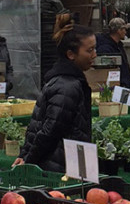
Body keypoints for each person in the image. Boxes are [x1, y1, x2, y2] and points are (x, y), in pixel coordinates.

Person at [14, 14, 95, 171]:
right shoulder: (67, 86)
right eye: (89, 50)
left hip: (68, 162)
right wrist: (28, 159)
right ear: (71, 54)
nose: (94, 55)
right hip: (61, 168)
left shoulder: (67, 81)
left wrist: (25, 154)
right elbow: (49, 131)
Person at [95, 16, 130, 88]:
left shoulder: (118, 45)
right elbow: (105, 73)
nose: (125, 32)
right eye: (124, 29)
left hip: (123, 85)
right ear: (119, 31)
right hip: (116, 88)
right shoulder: (105, 49)